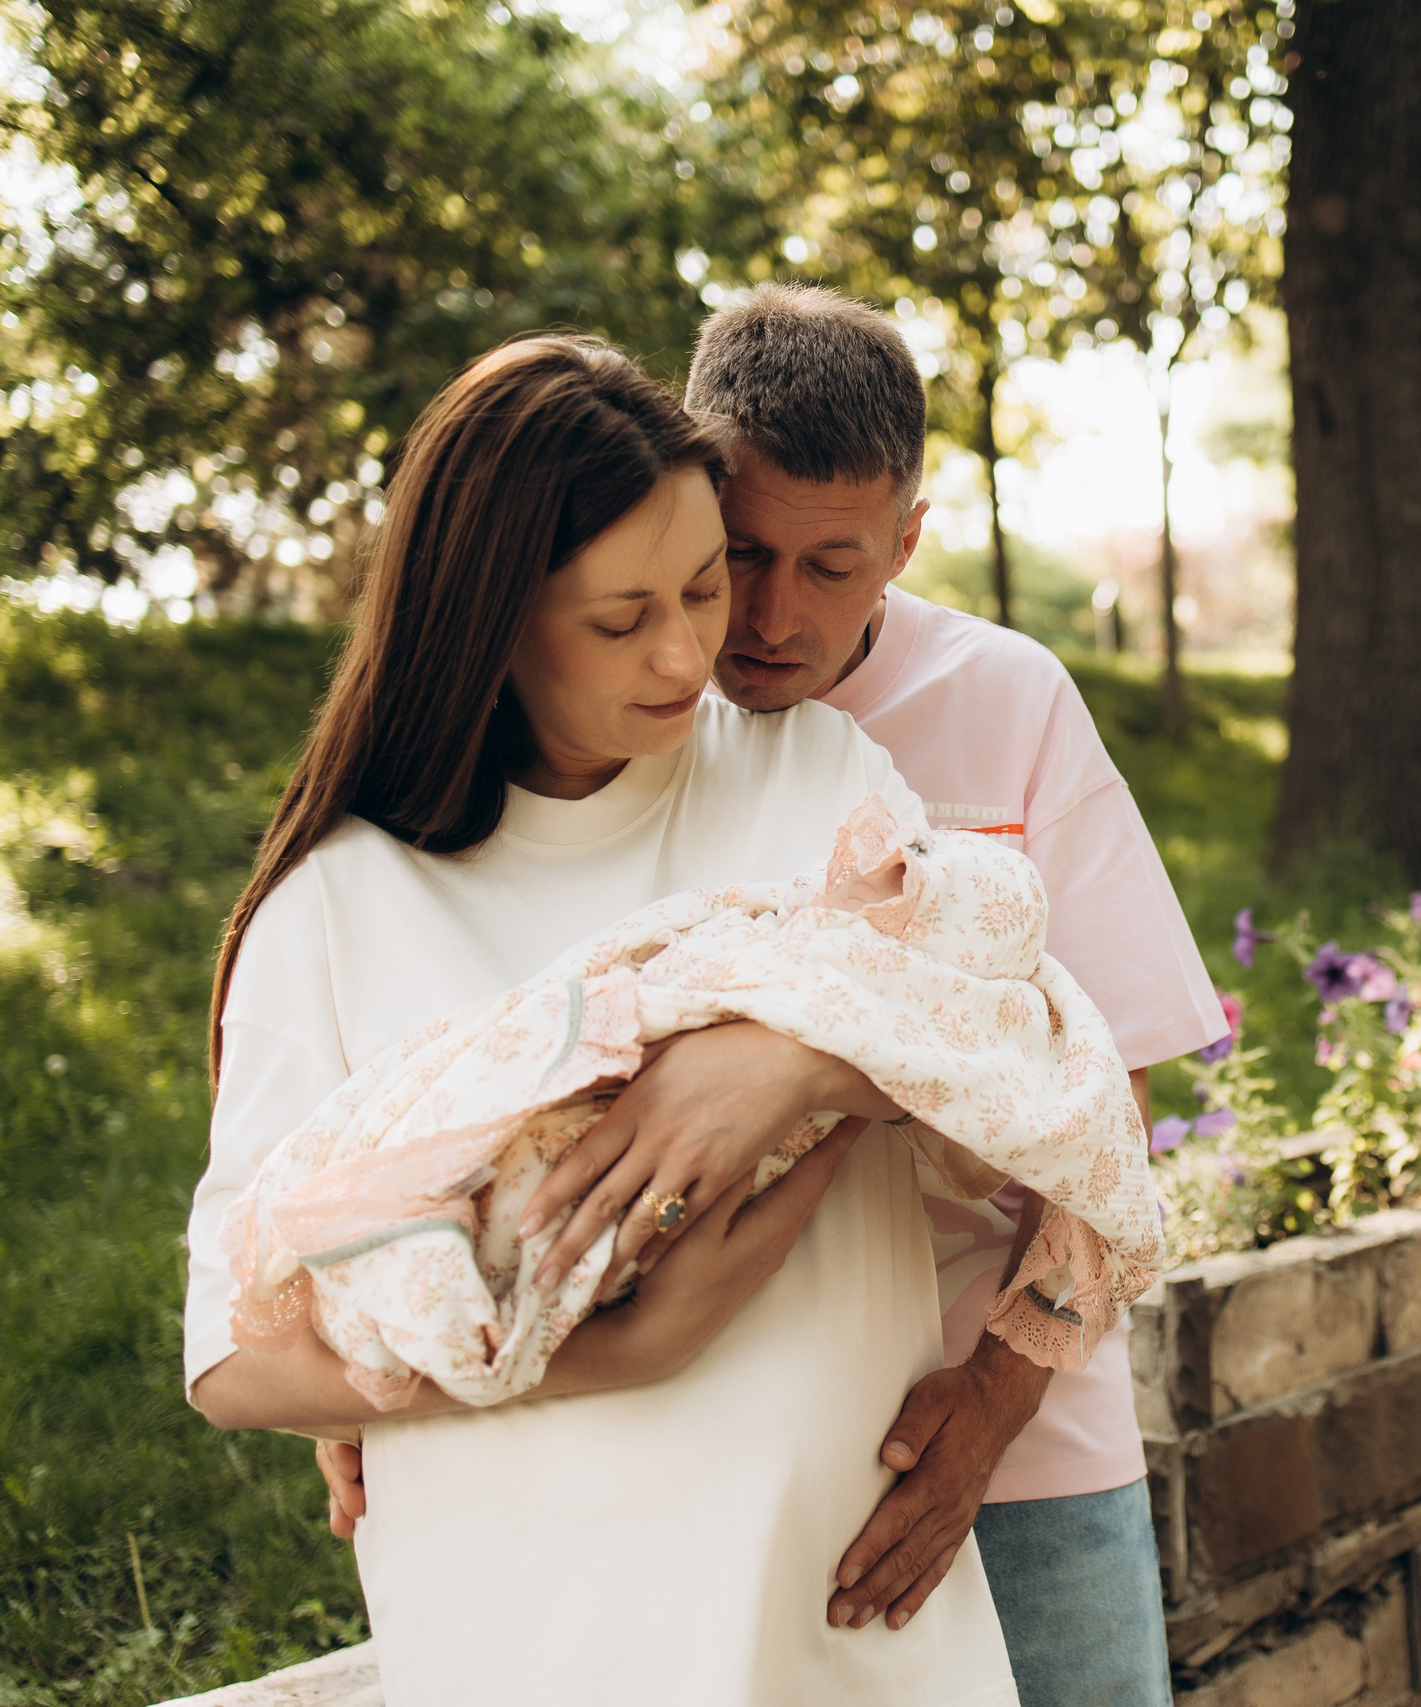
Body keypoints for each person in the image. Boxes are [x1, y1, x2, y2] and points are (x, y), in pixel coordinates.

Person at [316, 289, 1228, 1702]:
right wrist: (380, 1326)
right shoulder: (613, 711)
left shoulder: (1014, 701)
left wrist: (998, 1399)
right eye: (738, 555)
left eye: (834, 565)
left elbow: (1117, 1078)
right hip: (723, 1438)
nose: (767, 620)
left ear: (907, 543)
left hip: (1017, 1433)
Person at [184, 333, 1023, 1706]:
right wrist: (613, 1352)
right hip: (540, 1632)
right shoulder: (341, 906)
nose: (695, 651)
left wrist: (794, 1057)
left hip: (855, 1624)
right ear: (488, 618)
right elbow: (228, 1357)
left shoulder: (809, 774)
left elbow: (1003, 1030)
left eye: (705, 584)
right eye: (622, 620)